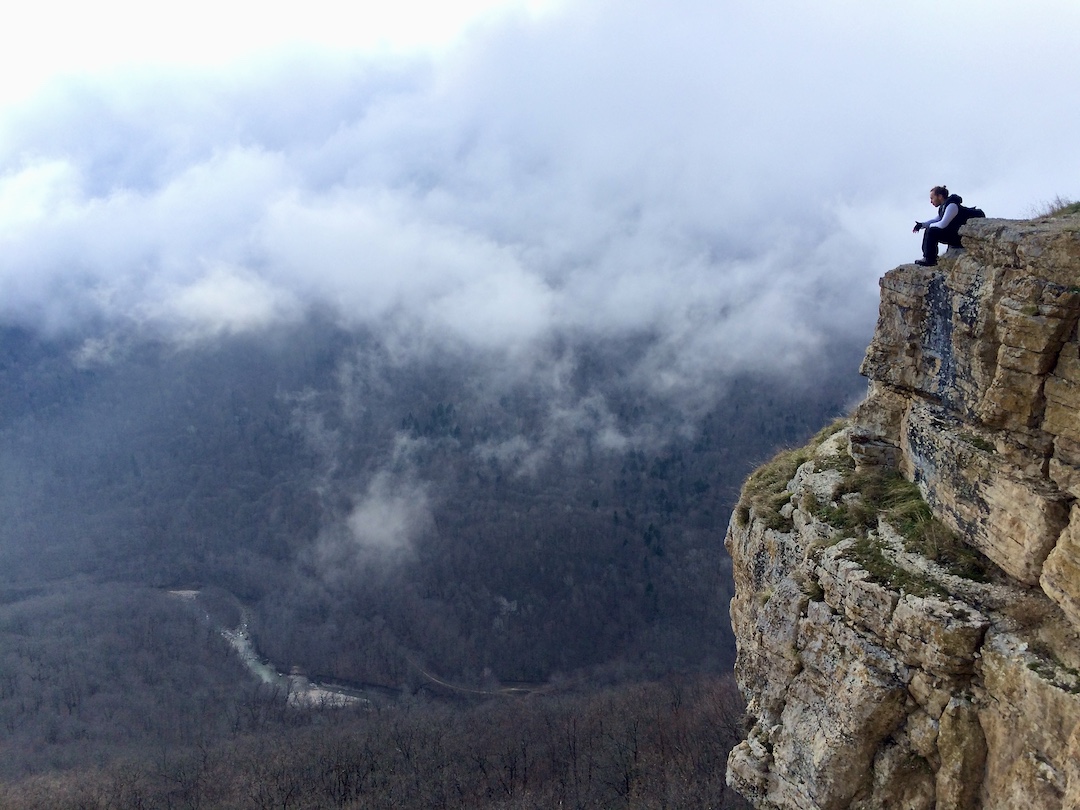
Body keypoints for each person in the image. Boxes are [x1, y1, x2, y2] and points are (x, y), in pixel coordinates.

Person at [912, 185, 964, 266]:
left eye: (932, 198)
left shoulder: (952, 206)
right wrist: (922, 225)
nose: (931, 201)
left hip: (960, 237)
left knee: (931, 231)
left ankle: (930, 259)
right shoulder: (943, 207)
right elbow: (936, 220)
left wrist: (929, 227)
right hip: (955, 235)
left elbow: (943, 224)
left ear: (939, 196)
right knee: (930, 229)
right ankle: (927, 257)